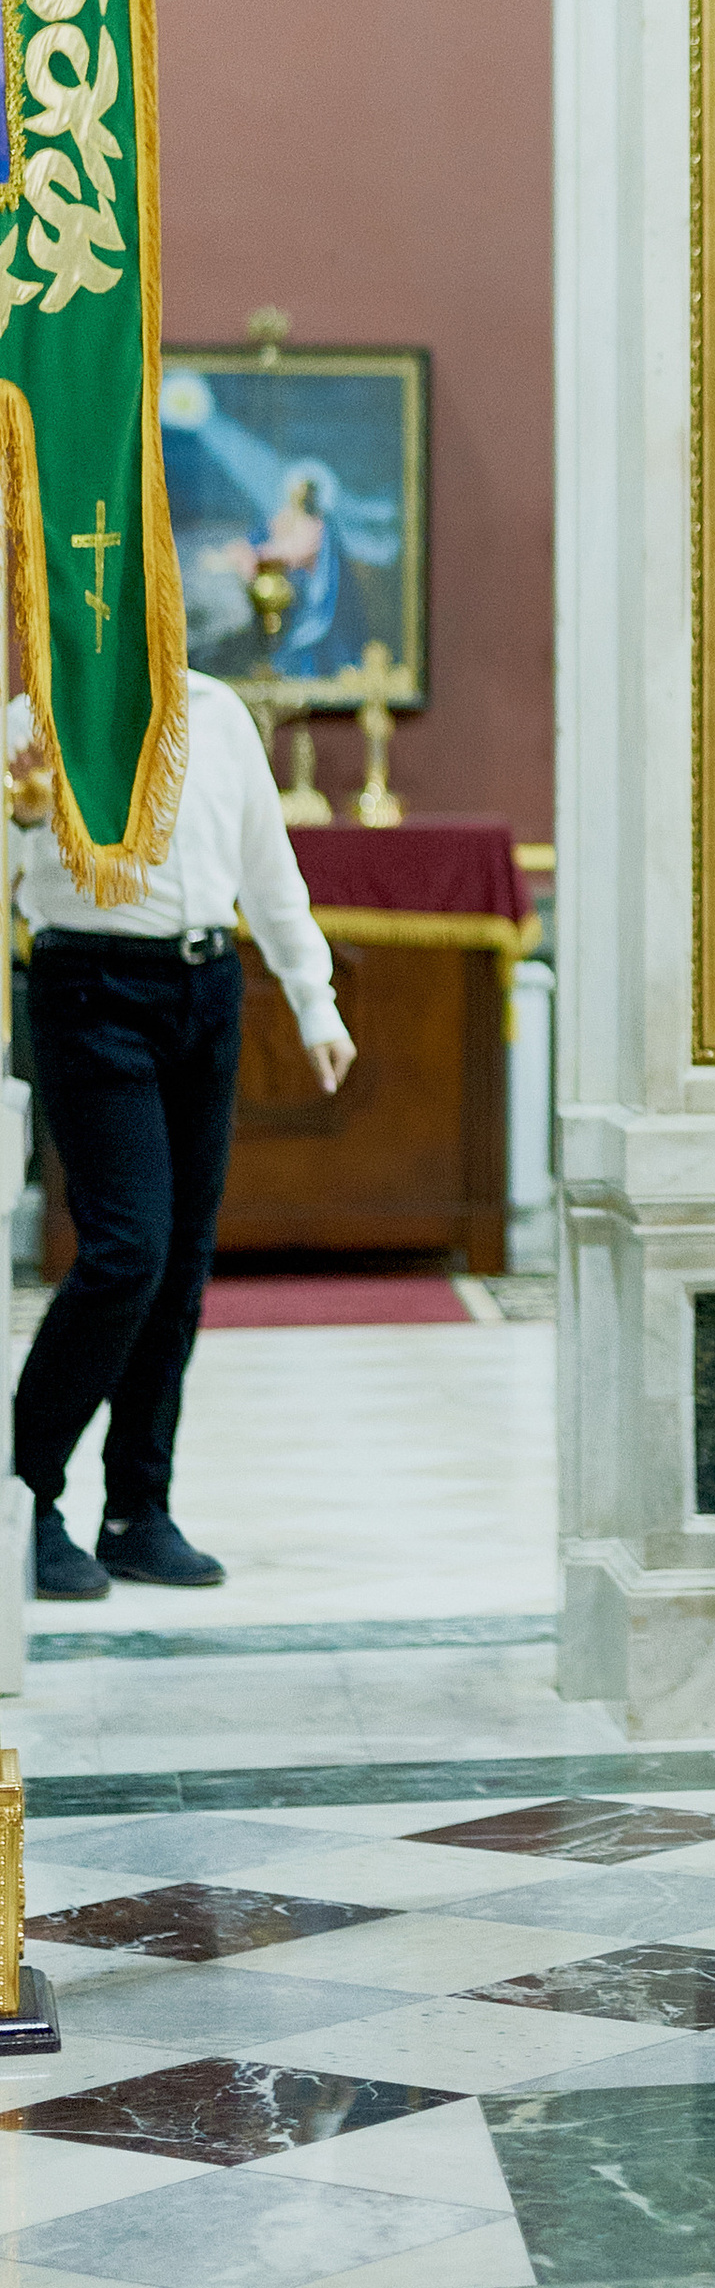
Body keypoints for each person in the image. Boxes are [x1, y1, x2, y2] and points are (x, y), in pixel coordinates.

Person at [8, 670, 356, 1598]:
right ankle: (23, 1496)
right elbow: (17, 837)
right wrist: (30, 815)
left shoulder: (219, 712)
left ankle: (136, 1511)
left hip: (204, 992)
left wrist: (313, 1001)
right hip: (89, 992)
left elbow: (265, 862)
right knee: (128, 1251)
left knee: (181, 1264)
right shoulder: (37, 713)